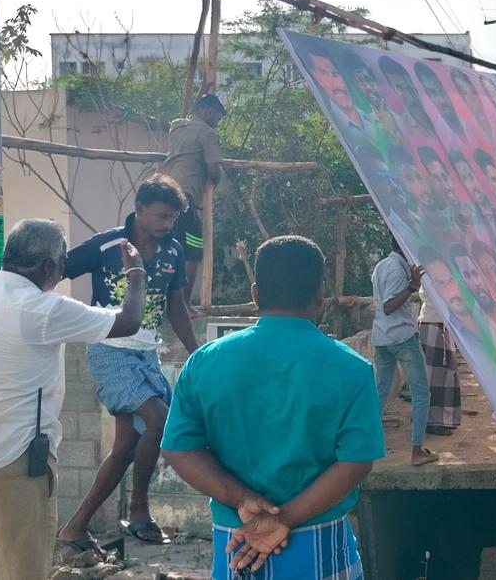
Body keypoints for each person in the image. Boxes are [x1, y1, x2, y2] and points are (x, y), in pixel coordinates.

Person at [0, 220, 145, 579]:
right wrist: (137, 274)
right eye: (63, 262)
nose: (64, 269)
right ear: (49, 266)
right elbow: (128, 321)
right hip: (13, 463)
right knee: (24, 572)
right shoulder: (46, 310)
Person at [161, 236, 384, 579]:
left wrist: (240, 498)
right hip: (321, 551)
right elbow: (356, 462)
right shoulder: (352, 369)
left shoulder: (204, 363)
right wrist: (285, 518)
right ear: (320, 294)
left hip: (234, 551)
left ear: (255, 294)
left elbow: (180, 448)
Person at [58, 175, 201, 547]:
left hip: (146, 354)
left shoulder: (173, 250)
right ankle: (140, 507)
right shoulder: (106, 245)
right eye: (162, 216)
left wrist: (198, 354)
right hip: (110, 350)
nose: (168, 225)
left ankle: (76, 525)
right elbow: (54, 271)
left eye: (173, 219)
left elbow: (177, 308)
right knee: (159, 420)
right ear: (138, 209)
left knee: (125, 447)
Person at [372, 236, 438, 466]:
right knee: (421, 393)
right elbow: (389, 306)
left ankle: (369, 448)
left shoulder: (382, 265)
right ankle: (417, 451)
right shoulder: (397, 270)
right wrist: (412, 286)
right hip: (401, 337)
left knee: (381, 393)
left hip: (382, 338)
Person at [157, 93, 226, 313]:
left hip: (161, 192)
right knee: (193, 252)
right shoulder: (206, 132)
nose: (216, 124)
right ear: (207, 112)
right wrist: (214, 179)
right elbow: (214, 167)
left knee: (167, 250)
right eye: (217, 118)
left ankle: (163, 302)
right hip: (184, 199)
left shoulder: (176, 127)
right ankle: (183, 305)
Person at [418, 285, 461, 437]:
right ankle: (433, 421)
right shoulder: (429, 273)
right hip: (434, 323)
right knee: (435, 376)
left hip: (441, 323)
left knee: (446, 374)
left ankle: (442, 419)